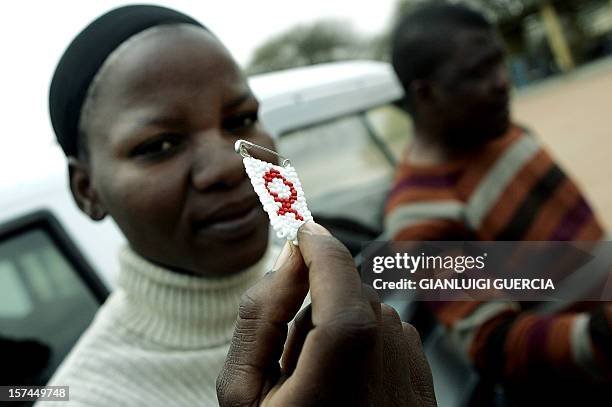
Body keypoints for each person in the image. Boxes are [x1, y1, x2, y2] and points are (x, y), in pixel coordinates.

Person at [43, 5, 436, 406]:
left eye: (241, 119)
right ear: (87, 189)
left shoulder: (334, 273)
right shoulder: (83, 397)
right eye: (159, 145)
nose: (230, 167)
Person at [387, 2, 611, 404]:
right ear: (425, 94)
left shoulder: (499, 129)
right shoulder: (421, 217)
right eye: (476, 73)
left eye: (498, 63)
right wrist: (601, 331)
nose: (502, 82)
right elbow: (494, 345)